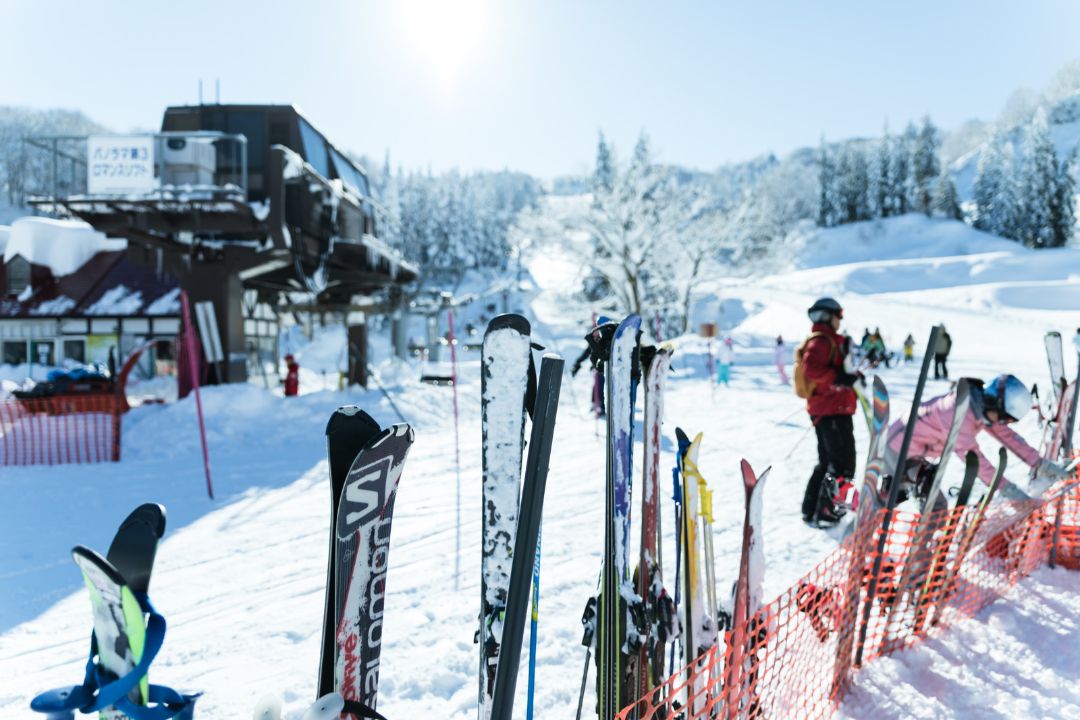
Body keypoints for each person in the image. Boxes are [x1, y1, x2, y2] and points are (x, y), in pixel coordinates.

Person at [883, 374, 1070, 502]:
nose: (1003, 423)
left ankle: (921, 549)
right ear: (994, 405)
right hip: (899, 449)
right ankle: (863, 533)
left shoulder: (980, 406)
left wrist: (1040, 464)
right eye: (1003, 418)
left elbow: (1009, 437)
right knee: (904, 502)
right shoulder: (958, 413)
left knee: (931, 505)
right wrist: (1005, 488)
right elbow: (973, 458)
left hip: (916, 450)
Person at [799, 297, 860, 526]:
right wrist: (838, 378)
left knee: (828, 461)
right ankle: (826, 510)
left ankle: (812, 508)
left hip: (834, 408)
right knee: (841, 462)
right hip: (831, 410)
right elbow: (812, 368)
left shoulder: (831, 340)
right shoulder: (822, 341)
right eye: (838, 315)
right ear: (827, 315)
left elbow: (838, 368)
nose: (840, 320)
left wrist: (850, 377)